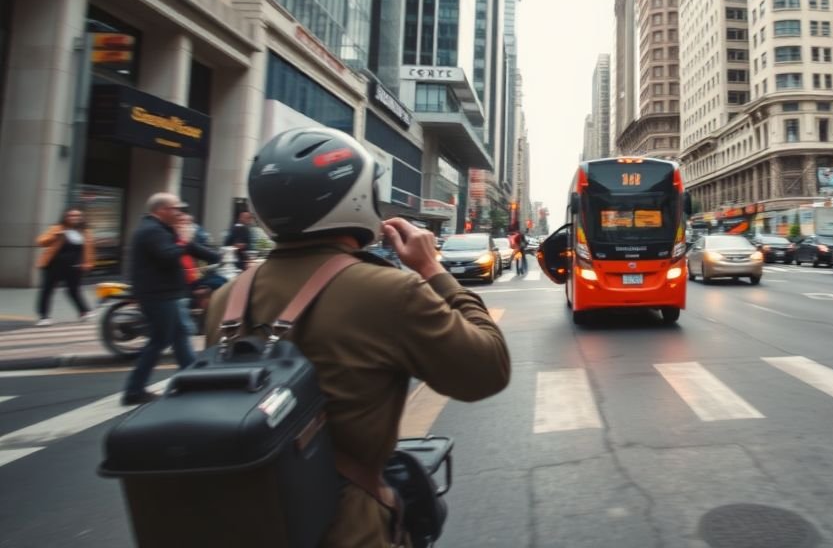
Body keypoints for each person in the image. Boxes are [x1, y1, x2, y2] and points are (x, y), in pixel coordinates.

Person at [203, 126, 510, 547]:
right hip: (347, 528)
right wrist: (433, 270)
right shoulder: (387, 291)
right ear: (358, 199)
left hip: (246, 521)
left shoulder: (226, 300)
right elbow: (487, 369)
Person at [121, 194, 222, 405]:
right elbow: (169, 255)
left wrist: (217, 256)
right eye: (175, 208)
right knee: (160, 341)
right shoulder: (151, 231)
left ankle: (195, 381)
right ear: (161, 210)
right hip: (158, 296)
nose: (179, 212)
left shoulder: (163, 229)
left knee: (180, 338)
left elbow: (189, 247)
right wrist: (184, 241)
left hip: (169, 294)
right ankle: (133, 390)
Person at [34, 208, 96, 325]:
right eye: (71, 216)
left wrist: (88, 263)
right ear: (65, 217)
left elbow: (89, 250)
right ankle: (43, 316)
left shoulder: (85, 232)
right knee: (47, 290)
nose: (74, 218)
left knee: (73, 290)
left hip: (74, 267)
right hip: (53, 265)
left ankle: (84, 311)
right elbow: (40, 242)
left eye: (77, 216)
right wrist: (55, 236)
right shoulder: (58, 228)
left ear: (81, 218)